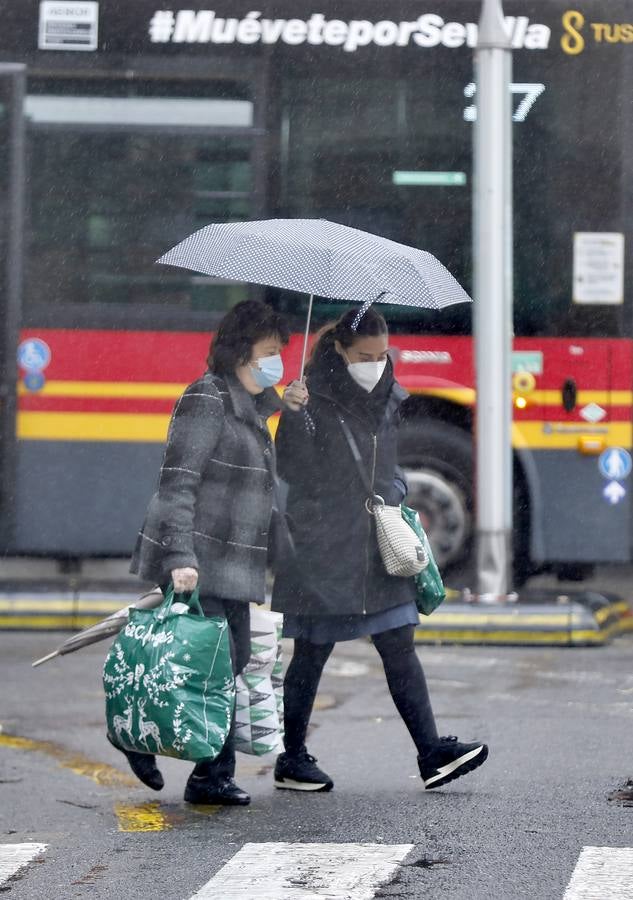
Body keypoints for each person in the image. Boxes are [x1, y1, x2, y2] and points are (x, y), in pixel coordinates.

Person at [272, 307, 489, 791]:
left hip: (375, 541)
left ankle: (432, 753)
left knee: (398, 640)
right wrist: (293, 416)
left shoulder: (390, 395)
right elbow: (294, 473)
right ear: (341, 352)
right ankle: (292, 757)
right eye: (365, 355)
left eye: (382, 354)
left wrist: (392, 490)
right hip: (322, 544)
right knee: (311, 649)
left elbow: (390, 466)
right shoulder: (312, 398)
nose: (375, 362)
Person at [114, 299, 290, 806]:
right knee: (203, 666)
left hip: (233, 562)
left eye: (279, 351)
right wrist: (178, 558)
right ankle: (186, 762)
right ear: (239, 353)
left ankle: (203, 773)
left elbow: (254, 470)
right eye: (268, 352)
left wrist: (288, 401)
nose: (275, 361)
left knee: (221, 666)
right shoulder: (206, 399)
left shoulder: (253, 408)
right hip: (199, 556)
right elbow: (177, 485)